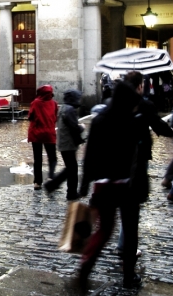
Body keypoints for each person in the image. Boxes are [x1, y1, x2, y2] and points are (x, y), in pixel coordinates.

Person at [77, 81, 144, 290]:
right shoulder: (132, 121)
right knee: (130, 231)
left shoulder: (99, 120)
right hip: (126, 184)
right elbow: (137, 156)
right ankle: (128, 276)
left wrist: (85, 182)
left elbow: (90, 155)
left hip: (103, 183)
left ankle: (86, 263)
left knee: (104, 229)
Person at [44, 89, 84, 200]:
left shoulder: (64, 108)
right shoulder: (70, 109)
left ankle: (56, 186)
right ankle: (69, 192)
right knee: (72, 169)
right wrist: (82, 128)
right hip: (68, 144)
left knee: (70, 168)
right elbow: (73, 127)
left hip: (64, 143)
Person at [27, 85, 58, 190]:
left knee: (37, 158)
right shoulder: (54, 103)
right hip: (49, 132)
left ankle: (37, 182)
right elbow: (55, 117)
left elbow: (30, 116)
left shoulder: (35, 103)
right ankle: (51, 176)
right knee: (52, 157)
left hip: (36, 133)